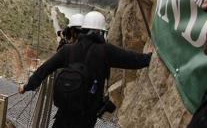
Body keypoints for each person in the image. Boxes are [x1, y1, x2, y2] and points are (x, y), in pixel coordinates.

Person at [19, 11, 152, 128]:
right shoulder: (106, 51)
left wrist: (27, 86)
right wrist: (151, 58)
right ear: (101, 32)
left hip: (65, 110)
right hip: (87, 114)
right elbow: (133, 60)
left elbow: (44, 69)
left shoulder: (68, 50)